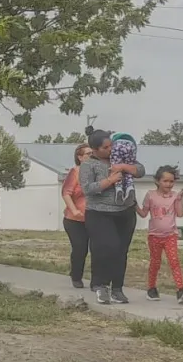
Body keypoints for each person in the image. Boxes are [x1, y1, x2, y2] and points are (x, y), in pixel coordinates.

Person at [79, 127, 145, 305]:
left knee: (121, 251)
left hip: (125, 212)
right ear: (95, 150)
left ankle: (117, 288)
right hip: (100, 213)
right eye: (106, 148)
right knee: (107, 247)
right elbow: (87, 189)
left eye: (111, 146)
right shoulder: (89, 164)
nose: (110, 150)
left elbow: (140, 170)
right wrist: (109, 181)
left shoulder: (121, 158)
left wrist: (123, 167)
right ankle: (101, 285)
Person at [135, 165, 183, 304]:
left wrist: (179, 199)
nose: (169, 184)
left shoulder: (175, 196)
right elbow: (143, 214)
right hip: (154, 236)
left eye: (171, 181)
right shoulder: (150, 195)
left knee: (174, 261)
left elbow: (180, 213)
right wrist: (133, 204)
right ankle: (151, 289)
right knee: (155, 262)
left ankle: (181, 290)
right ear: (158, 181)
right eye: (165, 181)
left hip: (170, 235)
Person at [61, 143, 92, 288]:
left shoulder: (96, 172)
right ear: (80, 157)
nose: (92, 157)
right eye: (88, 154)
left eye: (93, 154)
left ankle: (97, 280)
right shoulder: (75, 172)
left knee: (98, 249)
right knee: (80, 248)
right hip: (74, 219)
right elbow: (66, 193)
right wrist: (74, 210)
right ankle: (76, 276)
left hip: (93, 218)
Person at [109, 131, 139, 202]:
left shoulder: (113, 139)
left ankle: (118, 188)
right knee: (129, 168)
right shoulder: (129, 137)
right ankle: (129, 187)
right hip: (131, 145)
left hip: (117, 144)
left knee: (116, 168)